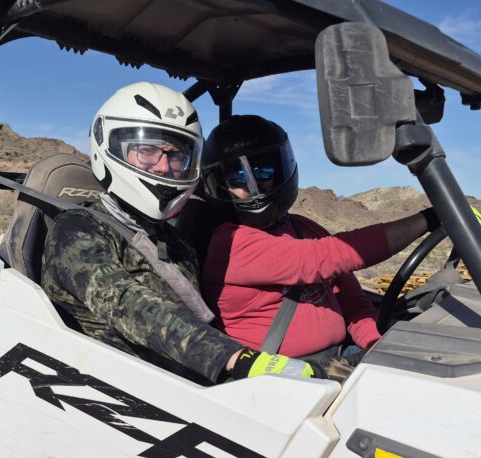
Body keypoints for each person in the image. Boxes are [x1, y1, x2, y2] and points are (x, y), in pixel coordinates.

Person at [39, 83, 320, 385]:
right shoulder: (78, 229)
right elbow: (128, 304)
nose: (163, 168)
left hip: (190, 387)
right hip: (122, 389)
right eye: (146, 151)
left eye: (177, 157)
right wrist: (234, 357)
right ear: (111, 145)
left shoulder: (175, 242)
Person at [200, 115, 444, 377]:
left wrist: (376, 344)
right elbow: (326, 258)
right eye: (239, 178)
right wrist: (428, 219)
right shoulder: (231, 243)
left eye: (263, 171)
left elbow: (351, 300)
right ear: (220, 185)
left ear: (282, 168)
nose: (254, 185)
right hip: (280, 376)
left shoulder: (303, 227)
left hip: (339, 362)